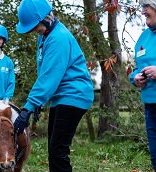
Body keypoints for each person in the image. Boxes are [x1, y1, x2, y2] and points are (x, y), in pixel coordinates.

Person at [13, 0, 94, 171]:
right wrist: (38, 102)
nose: (34, 30)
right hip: (62, 96)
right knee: (54, 150)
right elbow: (44, 73)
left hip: (74, 94)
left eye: (35, 26)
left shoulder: (58, 38)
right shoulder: (45, 36)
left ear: (45, 18)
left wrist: (27, 108)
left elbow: (49, 77)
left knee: (58, 151)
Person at [129, 0, 156, 170]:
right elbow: (137, 67)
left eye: (146, 7)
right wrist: (135, 77)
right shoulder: (144, 37)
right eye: (142, 7)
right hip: (150, 106)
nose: (143, 12)